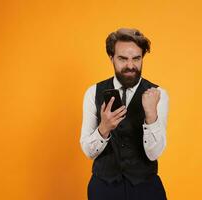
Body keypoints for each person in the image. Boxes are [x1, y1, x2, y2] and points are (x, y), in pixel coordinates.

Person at [80, 28, 169, 200]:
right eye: (122, 58)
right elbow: (88, 152)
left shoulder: (158, 94)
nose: (130, 65)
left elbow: (154, 154)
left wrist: (151, 116)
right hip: (104, 188)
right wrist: (103, 128)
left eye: (136, 58)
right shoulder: (93, 92)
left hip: (146, 189)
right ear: (111, 58)